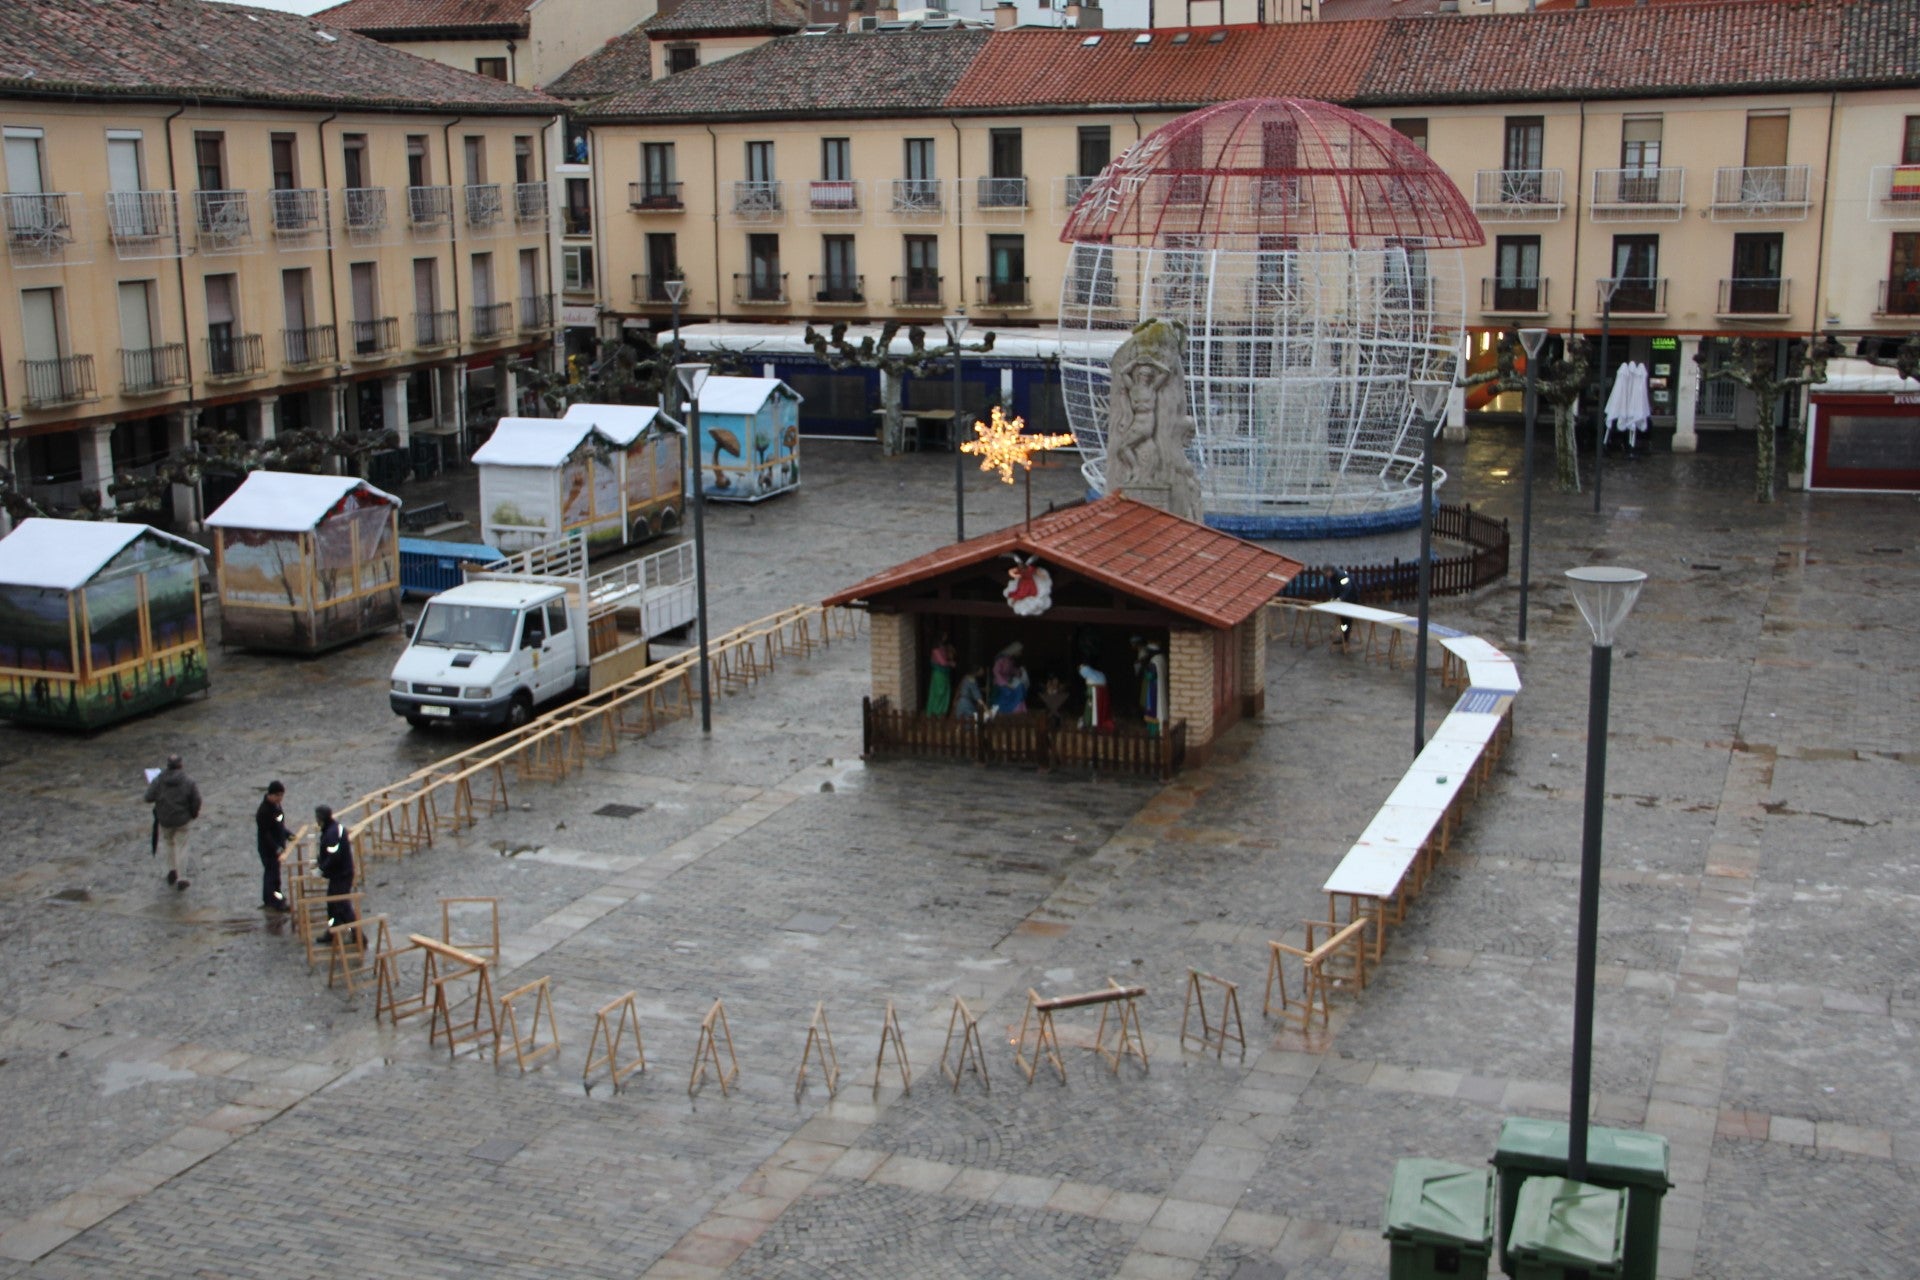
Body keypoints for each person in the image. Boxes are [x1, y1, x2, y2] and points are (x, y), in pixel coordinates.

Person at [144, 755, 201, 892]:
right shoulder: (188, 781)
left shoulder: (159, 780)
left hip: (165, 819)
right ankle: (182, 877)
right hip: (182, 820)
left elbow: (148, 797)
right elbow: (197, 800)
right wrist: (193, 813)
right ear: (181, 765)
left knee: (169, 843)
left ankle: (171, 870)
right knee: (182, 846)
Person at [314, 805, 356, 940]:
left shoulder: (332, 833)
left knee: (341, 904)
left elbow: (334, 856)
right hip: (338, 874)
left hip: (342, 875)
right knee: (332, 905)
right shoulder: (331, 829)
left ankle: (357, 935)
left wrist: (322, 869)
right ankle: (332, 931)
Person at [255, 781, 291, 912]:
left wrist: (287, 834)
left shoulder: (276, 806)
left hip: (276, 847)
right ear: (270, 794)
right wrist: (276, 847)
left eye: (281, 795)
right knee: (272, 876)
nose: (280, 798)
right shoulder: (263, 811)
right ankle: (275, 902)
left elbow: (279, 825)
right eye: (277, 795)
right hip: (268, 850)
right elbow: (265, 834)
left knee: (272, 874)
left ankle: (269, 899)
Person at [990, 642, 1029, 716]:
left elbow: (1011, 670)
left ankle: (1018, 709)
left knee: (1020, 687)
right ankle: (1008, 710)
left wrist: (1019, 671)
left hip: (1009, 681)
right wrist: (1005, 683)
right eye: (1019, 651)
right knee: (1010, 691)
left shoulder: (1010, 660)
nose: (1020, 653)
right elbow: (996, 671)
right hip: (1000, 683)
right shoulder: (1001, 659)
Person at [925, 635, 956, 717]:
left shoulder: (942, 647)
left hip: (944, 673)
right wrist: (950, 663)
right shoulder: (935, 650)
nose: (945, 638)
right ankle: (935, 713)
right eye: (944, 636)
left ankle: (942, 712)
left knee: (945, 692)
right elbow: (943, 662)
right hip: (939, 674)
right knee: (939, 693)